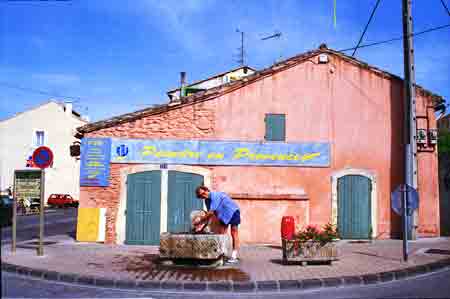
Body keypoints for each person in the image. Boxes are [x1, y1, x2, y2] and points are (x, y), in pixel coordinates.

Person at [194, 185, 241, 263]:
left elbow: (210, 212)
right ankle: (222, 253)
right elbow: (209, 216)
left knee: (234, 233)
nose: (203, 196)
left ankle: (234, 256)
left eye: (203, 193)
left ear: (207, 190)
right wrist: (201, 226)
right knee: (222, 233)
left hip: (233, 211)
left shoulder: (215, 196)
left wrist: (199, 220)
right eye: (201, 196)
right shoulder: (207, 201)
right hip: (223, 215)